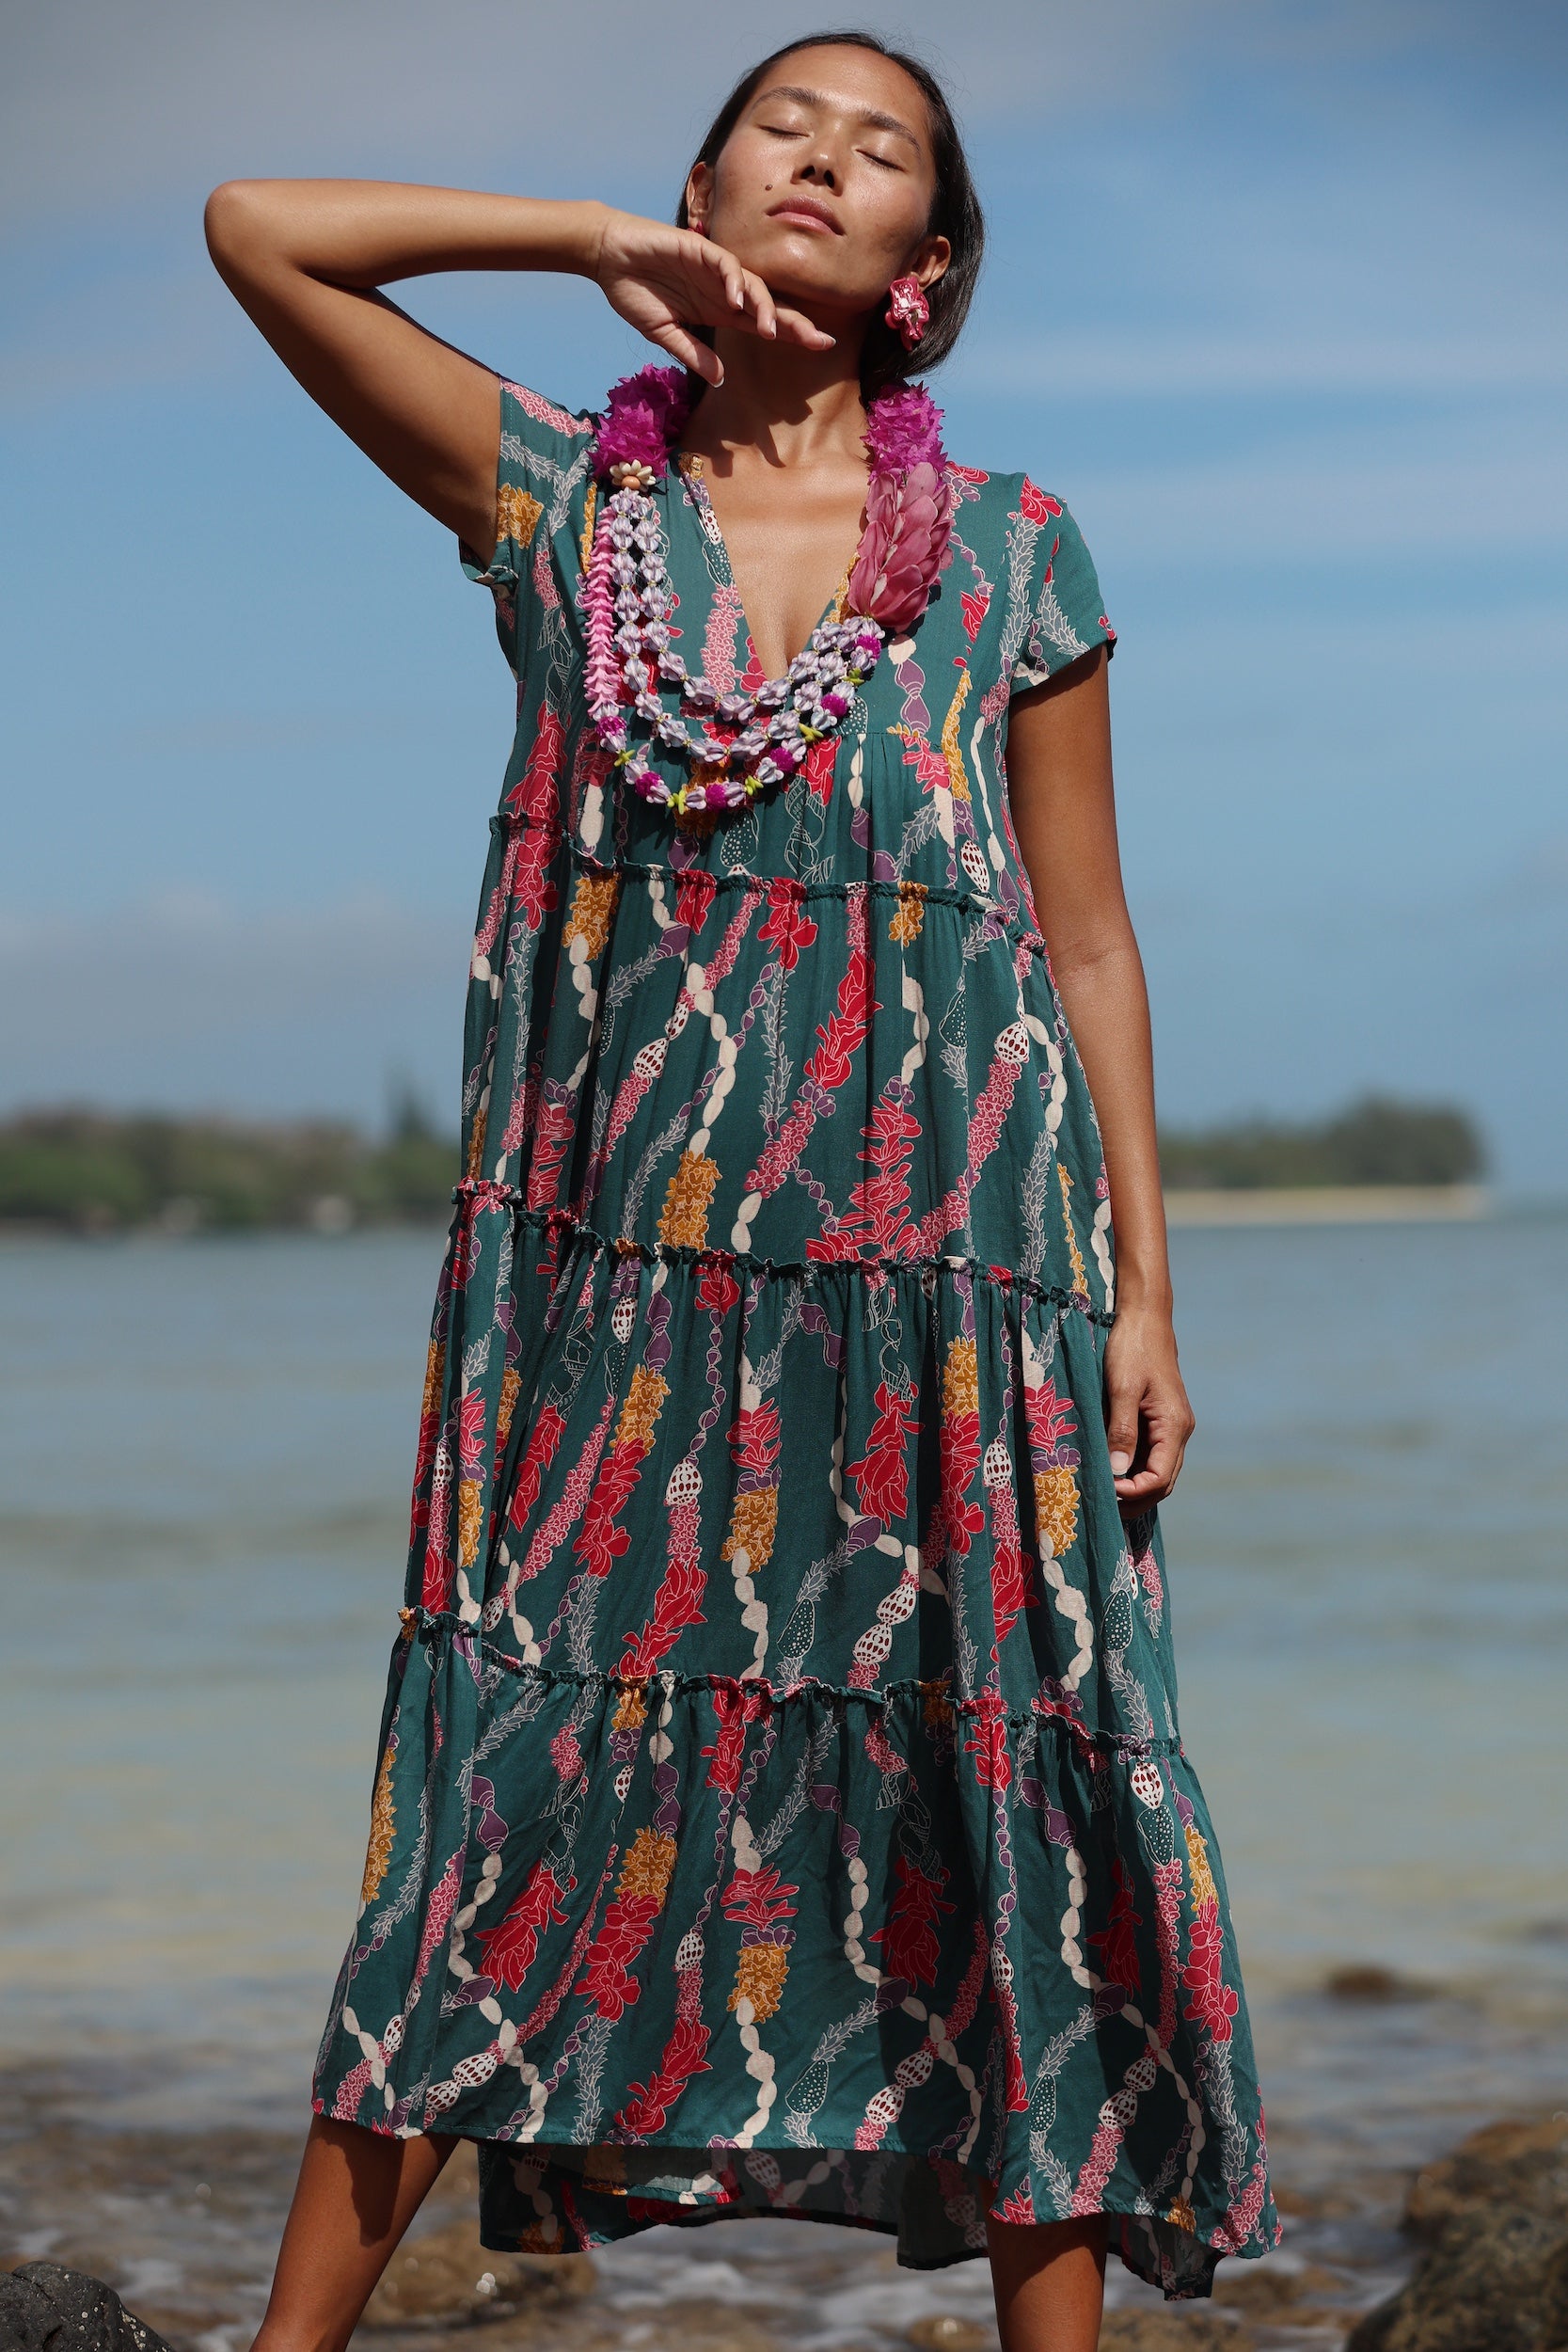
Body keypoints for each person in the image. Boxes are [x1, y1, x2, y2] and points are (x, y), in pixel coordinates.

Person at [206, 33, 1277, 2352]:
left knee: (988, 1802)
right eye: (786, 120)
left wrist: (1147, 1297)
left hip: (961, 1277)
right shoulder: (555, 508)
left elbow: (1089, 939)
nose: (829, 156)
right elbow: (258, 230)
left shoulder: (1009, 551)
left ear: (932, 260)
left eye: (886, 146)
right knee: (501, 1787)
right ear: (700, 181)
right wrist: (569, 243)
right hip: (619, 1281)